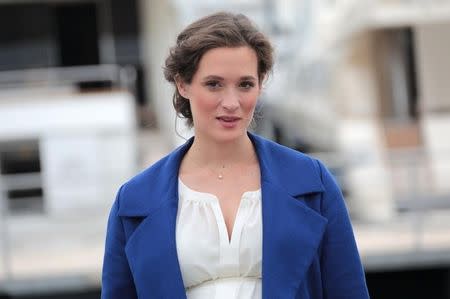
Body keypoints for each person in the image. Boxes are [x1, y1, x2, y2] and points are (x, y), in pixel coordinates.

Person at [101, 12, 370, 299]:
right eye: (214, 84)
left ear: (260, 83)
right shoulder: (134, 201)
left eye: (245, 84)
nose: (231, 103)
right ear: (183, 84)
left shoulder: (312, 182)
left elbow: (348, 291)